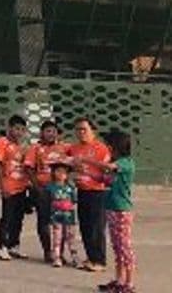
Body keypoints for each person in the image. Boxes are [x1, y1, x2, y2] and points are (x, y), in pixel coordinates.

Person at [81, 131, 136, 292]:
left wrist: (88, 160)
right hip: (112, 208)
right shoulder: (118, 164)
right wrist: (86, 172)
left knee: (125, 247)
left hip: (122, 210)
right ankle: (119, 281)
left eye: (109, 145)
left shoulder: (126, 162)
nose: (108, 149)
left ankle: (129, 283)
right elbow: (105, 180)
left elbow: (108, 167)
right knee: (117, 247)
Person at [69, 116, 111, 272]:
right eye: (78, 129)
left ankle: (99, 260)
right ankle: (91, 257)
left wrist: (93, 172)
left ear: (93, 131)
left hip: (98, 192)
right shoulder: (74, 148)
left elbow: (107, 173)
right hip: (82, 191)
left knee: (97, 227)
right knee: (85, 226)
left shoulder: (101, 149)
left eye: (84, 129)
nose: (81, 132)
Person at [25, 119, 70, 262]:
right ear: (42, 133)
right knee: (44, 221)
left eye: (54, 131)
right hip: (43, 189)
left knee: (60, 222)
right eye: (48, 131)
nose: (51, 134)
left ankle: (59, 253)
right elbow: (29, 168)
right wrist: (36, 187)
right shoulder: (36, 148)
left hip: (60, 190)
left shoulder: (63, 148)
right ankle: (47, 251)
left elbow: (72, 165)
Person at [0, 115, 30, 260]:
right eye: (16, 128)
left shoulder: (22, 146)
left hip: (21, 186)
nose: (19, 132)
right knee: (7, 217)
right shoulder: (2, 143)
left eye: (22, 129)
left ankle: (13, 244)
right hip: (9, 186)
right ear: (9, 128)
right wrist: (2, 186)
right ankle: (1, 245)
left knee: (18, 217)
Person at [47, 162, 81, 268]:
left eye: (64, 172)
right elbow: (48, 201)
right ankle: (57, 257)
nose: (61, 174)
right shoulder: (50, 187)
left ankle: (74, 257)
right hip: (56, 215)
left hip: (69, 216)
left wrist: (68, 205)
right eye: (58, 171)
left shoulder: (70, 187)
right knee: (57, 237)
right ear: (53, 173)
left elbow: (74, 200)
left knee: (70, 237)